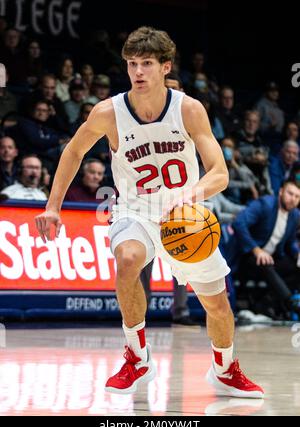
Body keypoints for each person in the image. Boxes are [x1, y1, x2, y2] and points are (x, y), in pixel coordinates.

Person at [35, 26, 263, 398]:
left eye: (146, 64)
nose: (138, 72)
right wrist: (53, 206)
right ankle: (137, 357)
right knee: (127, 260)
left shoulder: (188, 109)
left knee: (217, 306)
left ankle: (224, 368)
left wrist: (194, 191)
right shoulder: (108, 112)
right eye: (131, 64)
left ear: (165, 67)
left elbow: (220, 173)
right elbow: (74, 151)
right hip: (134, 210)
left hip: (186, 217)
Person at [231, 181, 300, 319]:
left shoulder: (295, 215)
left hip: (272, 259)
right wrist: (256, 249)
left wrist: (297, 253)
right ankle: (291, 303)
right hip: (249, 258)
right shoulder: (265, 204)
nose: (293, 199)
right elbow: (239, 223)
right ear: (280, 192)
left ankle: (265, 303)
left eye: (297, 197)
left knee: (297, 267)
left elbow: (290, 241)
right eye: (290, 193)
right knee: (265, 262)